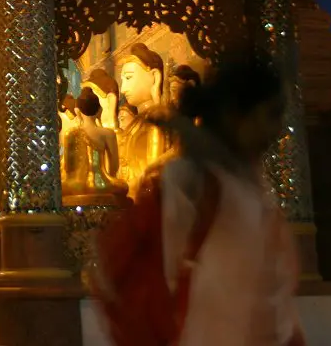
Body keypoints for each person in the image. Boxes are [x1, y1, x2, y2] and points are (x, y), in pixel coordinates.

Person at [91, 53, 305, 346]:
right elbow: (166, 274)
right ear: (236, 114)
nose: (276, 129)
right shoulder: (194, 180)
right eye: (270, 114)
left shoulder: (249, 185)